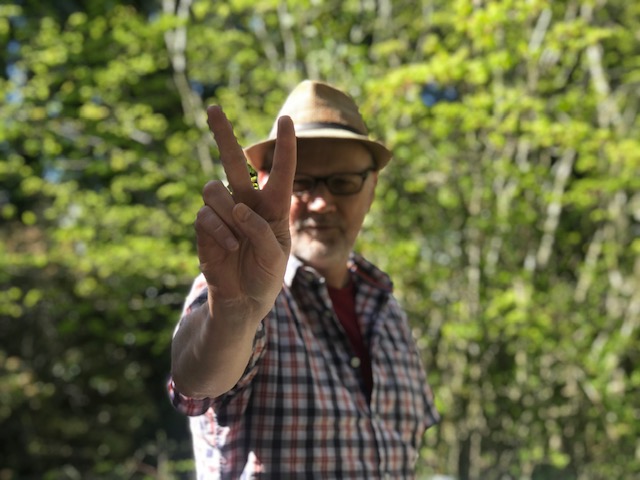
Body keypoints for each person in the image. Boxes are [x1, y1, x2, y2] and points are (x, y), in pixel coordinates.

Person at [168, 80, 439, 479]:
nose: (322, 202)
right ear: (265, 180)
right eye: (300, 182)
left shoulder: (388, 310)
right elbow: (195, 380)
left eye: (344, 182)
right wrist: (232, 315)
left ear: (372, 188)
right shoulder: (240, 292)